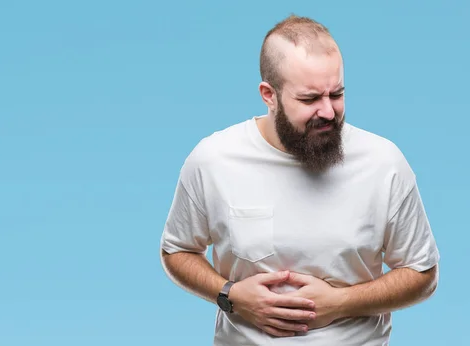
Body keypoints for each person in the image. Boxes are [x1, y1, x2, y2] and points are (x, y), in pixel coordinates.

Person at [159, 15, 440, 346]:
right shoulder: (213, 160)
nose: (328, 111)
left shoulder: (384, 163)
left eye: (336, 94)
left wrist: (339, 303)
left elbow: (422, 273)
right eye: (309, 99)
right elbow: (176, 251)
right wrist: (229, 294)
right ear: (269, 94)